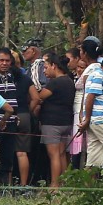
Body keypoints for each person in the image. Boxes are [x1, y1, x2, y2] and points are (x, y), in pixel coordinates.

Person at [37, 54, 76, 187]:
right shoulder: (69, 81)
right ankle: (65, 183)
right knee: (61, 154)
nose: (44, 70)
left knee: (53, 155)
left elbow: (40, 97)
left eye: (46, 67)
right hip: (65, 121)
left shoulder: (55, 83)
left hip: (52, 122)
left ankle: (54, 185)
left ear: (54, 66)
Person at [0, 47, 19, 186]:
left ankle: (5, 187)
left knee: (8, 156)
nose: (5, 63)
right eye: (2, 60)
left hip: (11, 122)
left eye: (7, 61)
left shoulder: (12, 75)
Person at [11, 50, 40, 187]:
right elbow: (36, 98)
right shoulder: (25, 78)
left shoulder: (4, 78)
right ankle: (23, 184)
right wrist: (28, 111)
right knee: (22, 153)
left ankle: (7, 183)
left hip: (7, 116)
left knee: (6, 151)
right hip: (23, 115)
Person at [70, 58, 88, 169]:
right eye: (78, 67)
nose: (79, 70)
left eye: (82, 67)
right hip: (75, 110)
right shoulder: (74, 77)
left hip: (82, 110)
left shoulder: (88, 78)